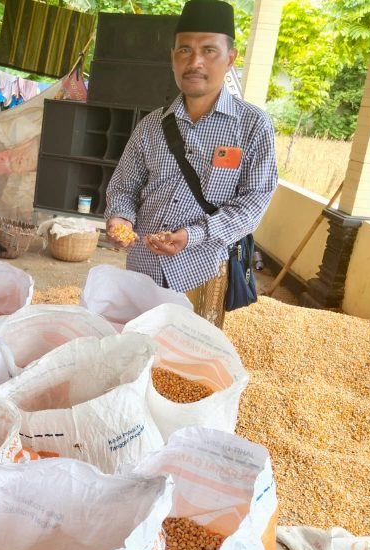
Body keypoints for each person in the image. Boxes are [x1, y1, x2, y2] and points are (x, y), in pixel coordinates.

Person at [105, 0, 278, 327]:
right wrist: (121, 219)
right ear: (173, 57)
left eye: (209, 50)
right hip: (142, 266)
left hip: (203, 271)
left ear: (231, 59)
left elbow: (253, 203)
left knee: (185, 362)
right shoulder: (152, 126)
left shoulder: (253, 126)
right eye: (184, 49)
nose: (195, 61)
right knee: (137, 346)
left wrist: (193, 235)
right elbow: (124, 187)